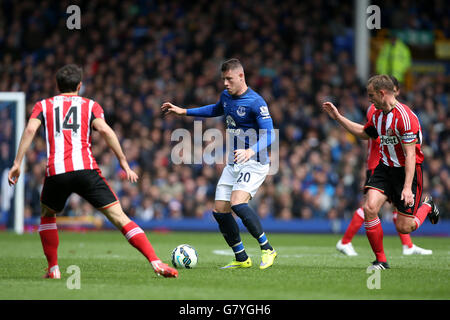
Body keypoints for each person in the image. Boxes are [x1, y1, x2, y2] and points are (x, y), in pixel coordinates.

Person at [8, 64, 178, 279]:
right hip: (86, 170)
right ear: (80, 85)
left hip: (57, 172)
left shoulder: (43, 105)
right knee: (119, 218)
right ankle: (155, 262)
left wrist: (17, 163)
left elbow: (31, 129)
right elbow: (106, 130)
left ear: (57, 85)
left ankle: (54, 269)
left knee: (47, 214)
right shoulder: (90, 105)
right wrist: (124, 162)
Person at [161, 58, 277, 269]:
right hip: (234, 163)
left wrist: (250, 150)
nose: (225, 83)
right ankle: (241, 258)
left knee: (238, 203)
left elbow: (270, 135)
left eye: (229, 79)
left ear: (241, 76)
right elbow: (215, 109)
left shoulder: (256, 102)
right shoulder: (226, 96)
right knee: (219, 211)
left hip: (255, 161)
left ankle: (267, 248)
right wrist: (184, 111)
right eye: (223, 79)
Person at [322, 74, 439, 270]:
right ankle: (381, 260)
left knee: (404, 227)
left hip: (406, 173)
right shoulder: (377, 115)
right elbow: (363, 133)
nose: (369, 99)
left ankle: (427, 205)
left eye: (371, 95)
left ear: (382, 93)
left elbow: (411, 156)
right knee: (369, 208)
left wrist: (408, 188)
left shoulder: (405, 117)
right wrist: (338, 118)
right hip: (384, 169)